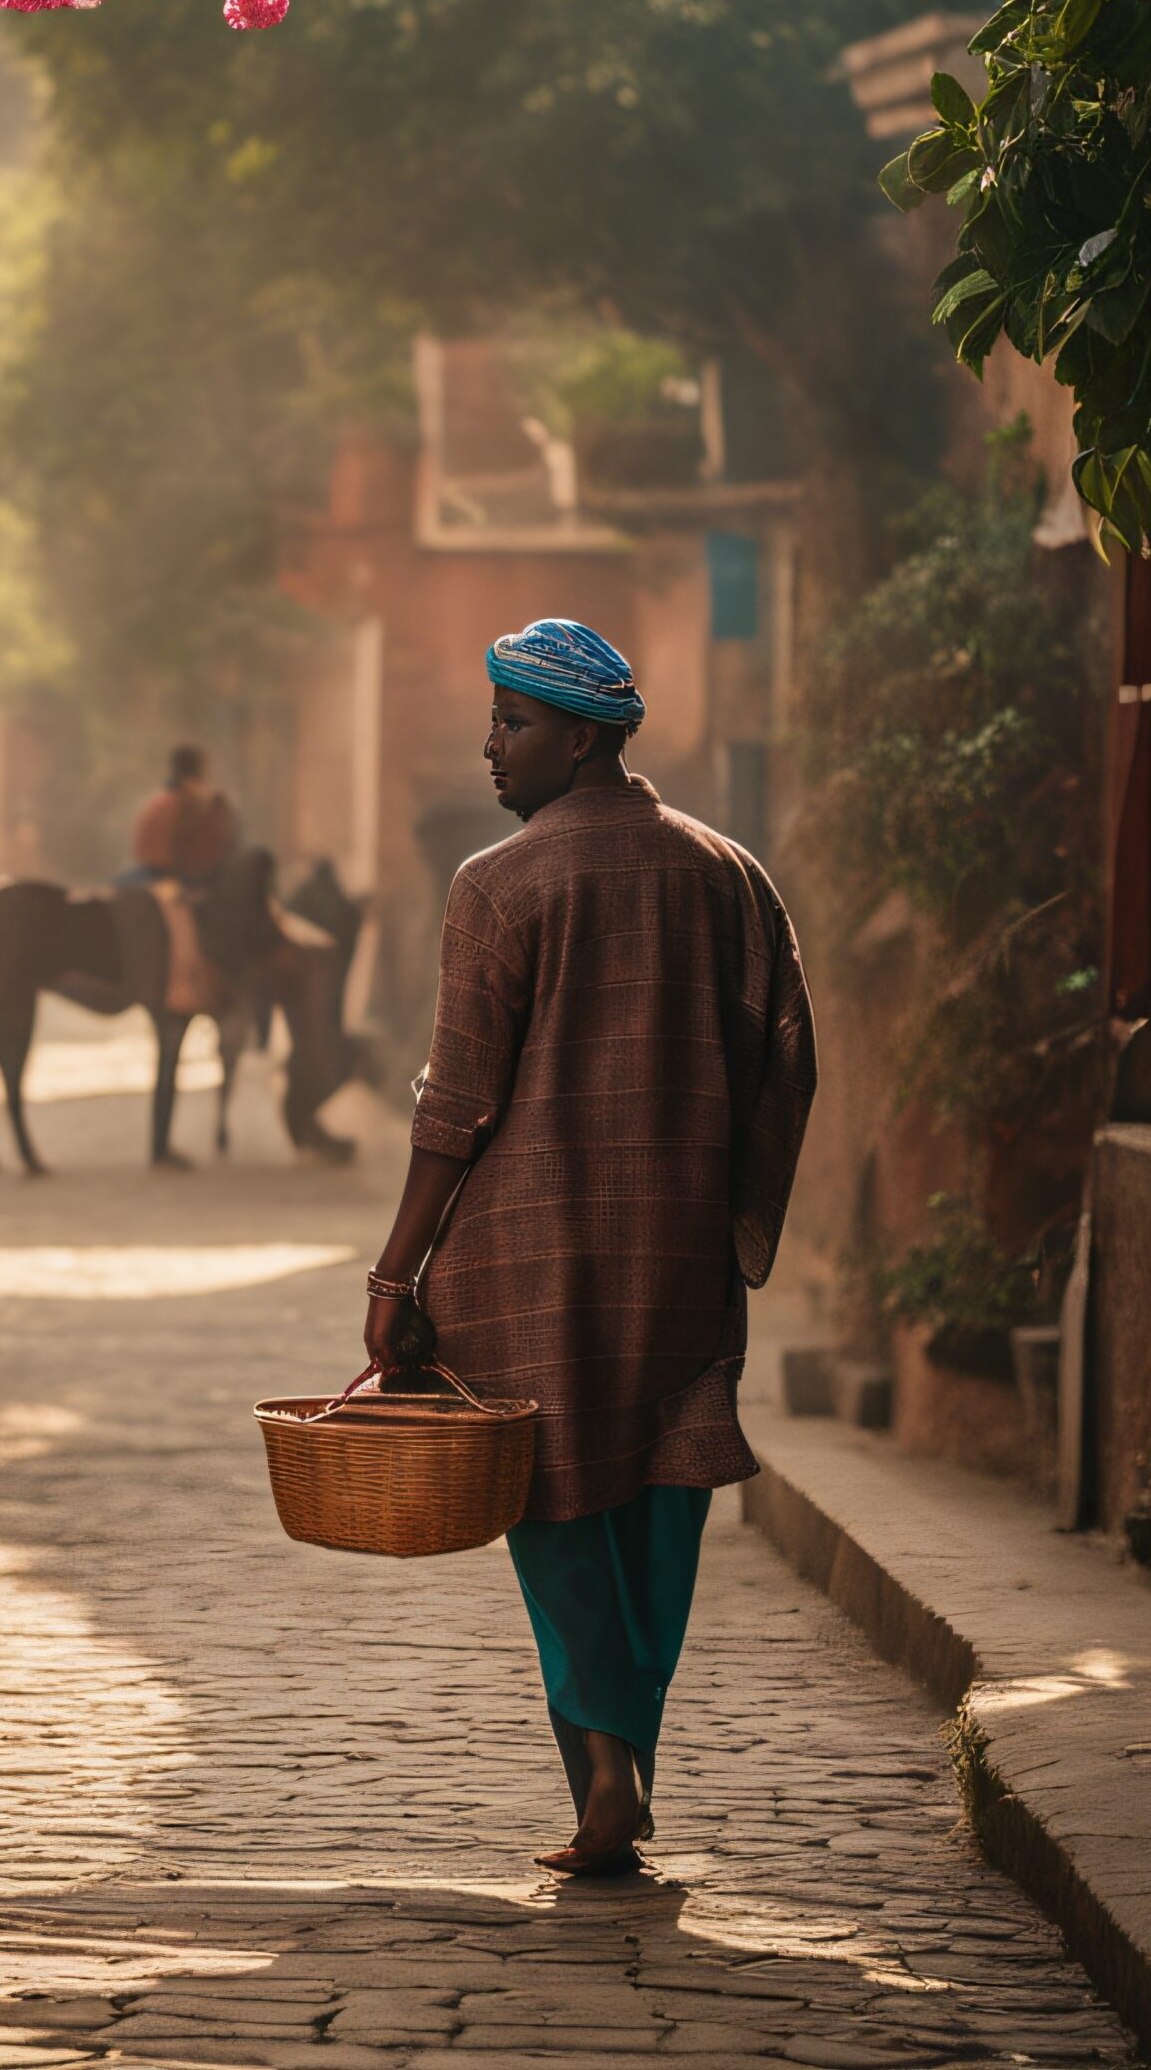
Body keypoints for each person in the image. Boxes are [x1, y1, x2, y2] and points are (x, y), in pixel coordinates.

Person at [363, 618, 814, 1878]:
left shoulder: (496, 885)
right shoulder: (729, 872)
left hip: (521, 1258)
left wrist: (396, 1273)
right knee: (660, 1500)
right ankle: (624, 1763)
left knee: (553, 1501)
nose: (491, 748)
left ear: (582, 735)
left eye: (512, 724)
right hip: (676, 1255)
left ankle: (604, 1773)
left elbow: (455, 1104)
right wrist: (731, 1203)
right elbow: (789, 1050)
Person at [126, 743, 240, 888]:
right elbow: (211, 853)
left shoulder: (158, 801)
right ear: (199, 771)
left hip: (150, 871)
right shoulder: (193, 803)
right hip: (176, 877)